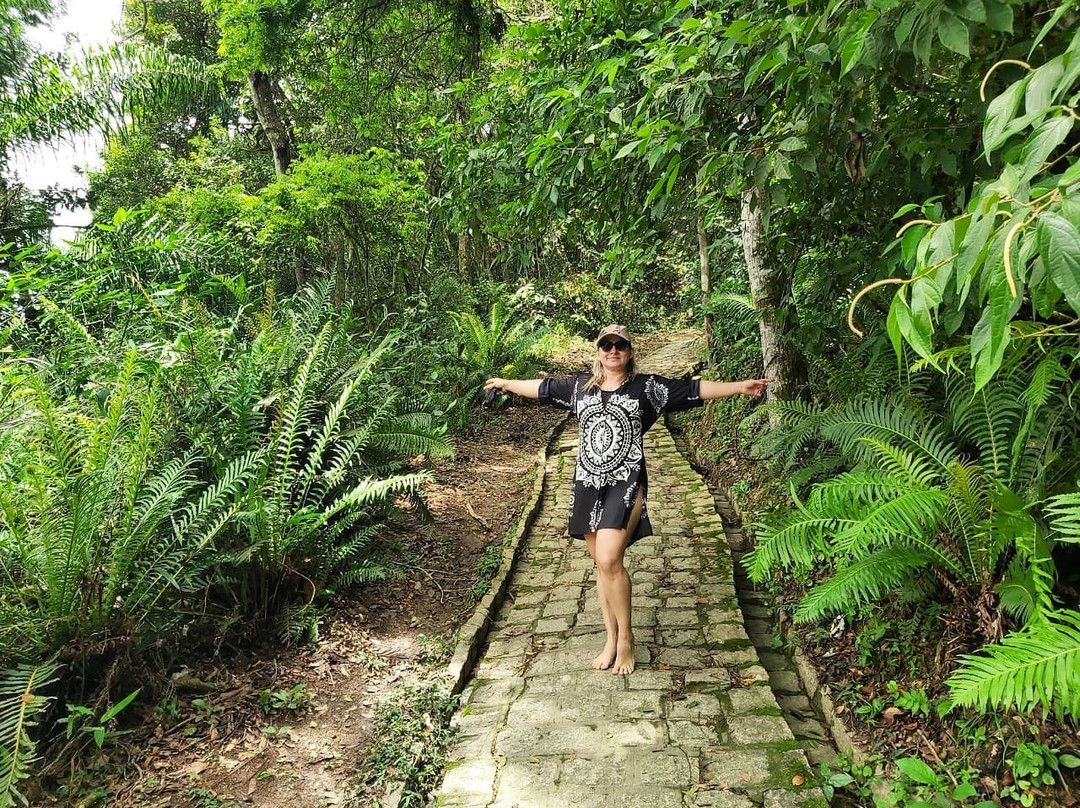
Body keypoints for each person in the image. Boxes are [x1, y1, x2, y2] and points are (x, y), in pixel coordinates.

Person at [485, 325, 769, 675]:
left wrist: (739, 388)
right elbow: (540, 388)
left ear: (630, 352)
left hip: (626, 481)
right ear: (598, 351)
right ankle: (611, 636)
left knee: (609, 557)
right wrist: (505, 384)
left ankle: (626, 640)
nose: (613, 351)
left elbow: (693, 390)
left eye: (620, 345)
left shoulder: (646, 388)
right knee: (602, 565)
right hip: (588, 483)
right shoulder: (579, 387)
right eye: (607, 345)